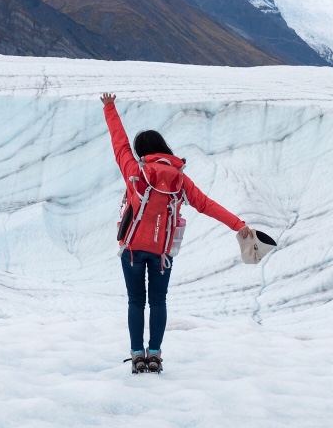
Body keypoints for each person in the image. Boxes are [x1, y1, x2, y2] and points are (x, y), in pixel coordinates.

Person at [99, 92, 262, 374]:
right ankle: (156, 355)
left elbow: (119, 143)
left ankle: (138, 354)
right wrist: (238, 224)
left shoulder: (135, 172)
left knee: (136, 301)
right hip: (163, 253)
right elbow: (206, 204)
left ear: (143, 152)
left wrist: (109, 107)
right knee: (158, 301)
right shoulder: (179, 178)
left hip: (132, 250)